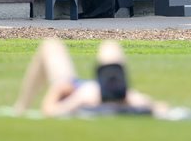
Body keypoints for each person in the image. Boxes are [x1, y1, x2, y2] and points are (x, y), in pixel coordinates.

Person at [14, 39, 169, 118]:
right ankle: (20, 106)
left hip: (73, 89)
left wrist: (58, 90)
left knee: (50, 45)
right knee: (109, 45)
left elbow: (49, 111)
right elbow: (159, 107)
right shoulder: (129, 97)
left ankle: (21, 107)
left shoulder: (84, 98)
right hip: (101, 88)